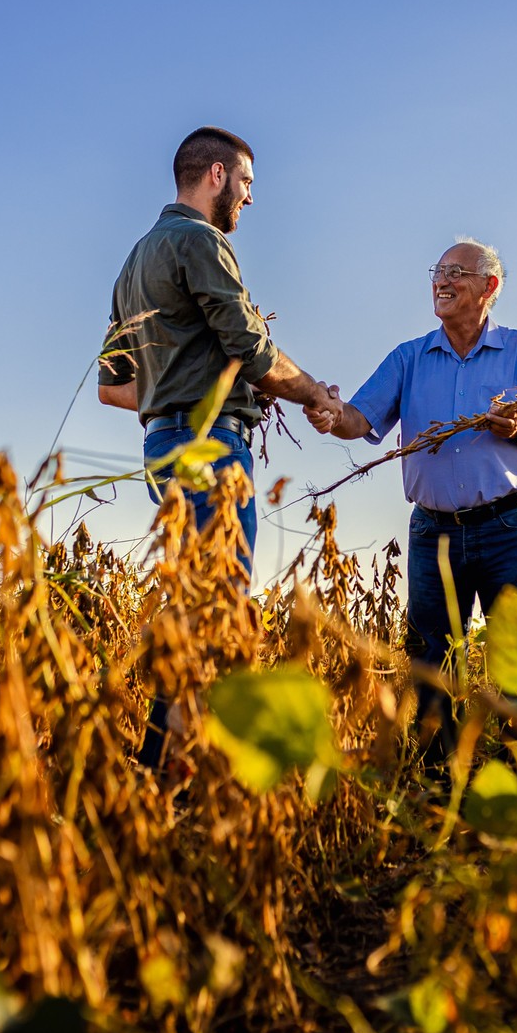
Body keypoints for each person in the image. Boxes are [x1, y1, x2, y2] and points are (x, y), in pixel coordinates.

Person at [98, 126, 336, 769]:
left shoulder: (133, 263)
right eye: (247, 183)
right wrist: (314, 392)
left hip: (163, 444)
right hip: (210, 449)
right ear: (215, 177)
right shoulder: (200, 241)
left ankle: (154, 762)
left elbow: (111, 387)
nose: (250, 199)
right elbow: (251, 349)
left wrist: (168, 392)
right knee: (217, 610)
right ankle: (179, 775)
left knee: (192, 604)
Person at [308, 239, 517, 770]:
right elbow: (358, 421)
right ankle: (436, 779)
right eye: (438, 272)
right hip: (433, 534)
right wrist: (328, 411)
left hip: (511, 528)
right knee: (431, 660)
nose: (442, 281)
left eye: (457, 272)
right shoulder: (409, 358)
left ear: (490, 287)